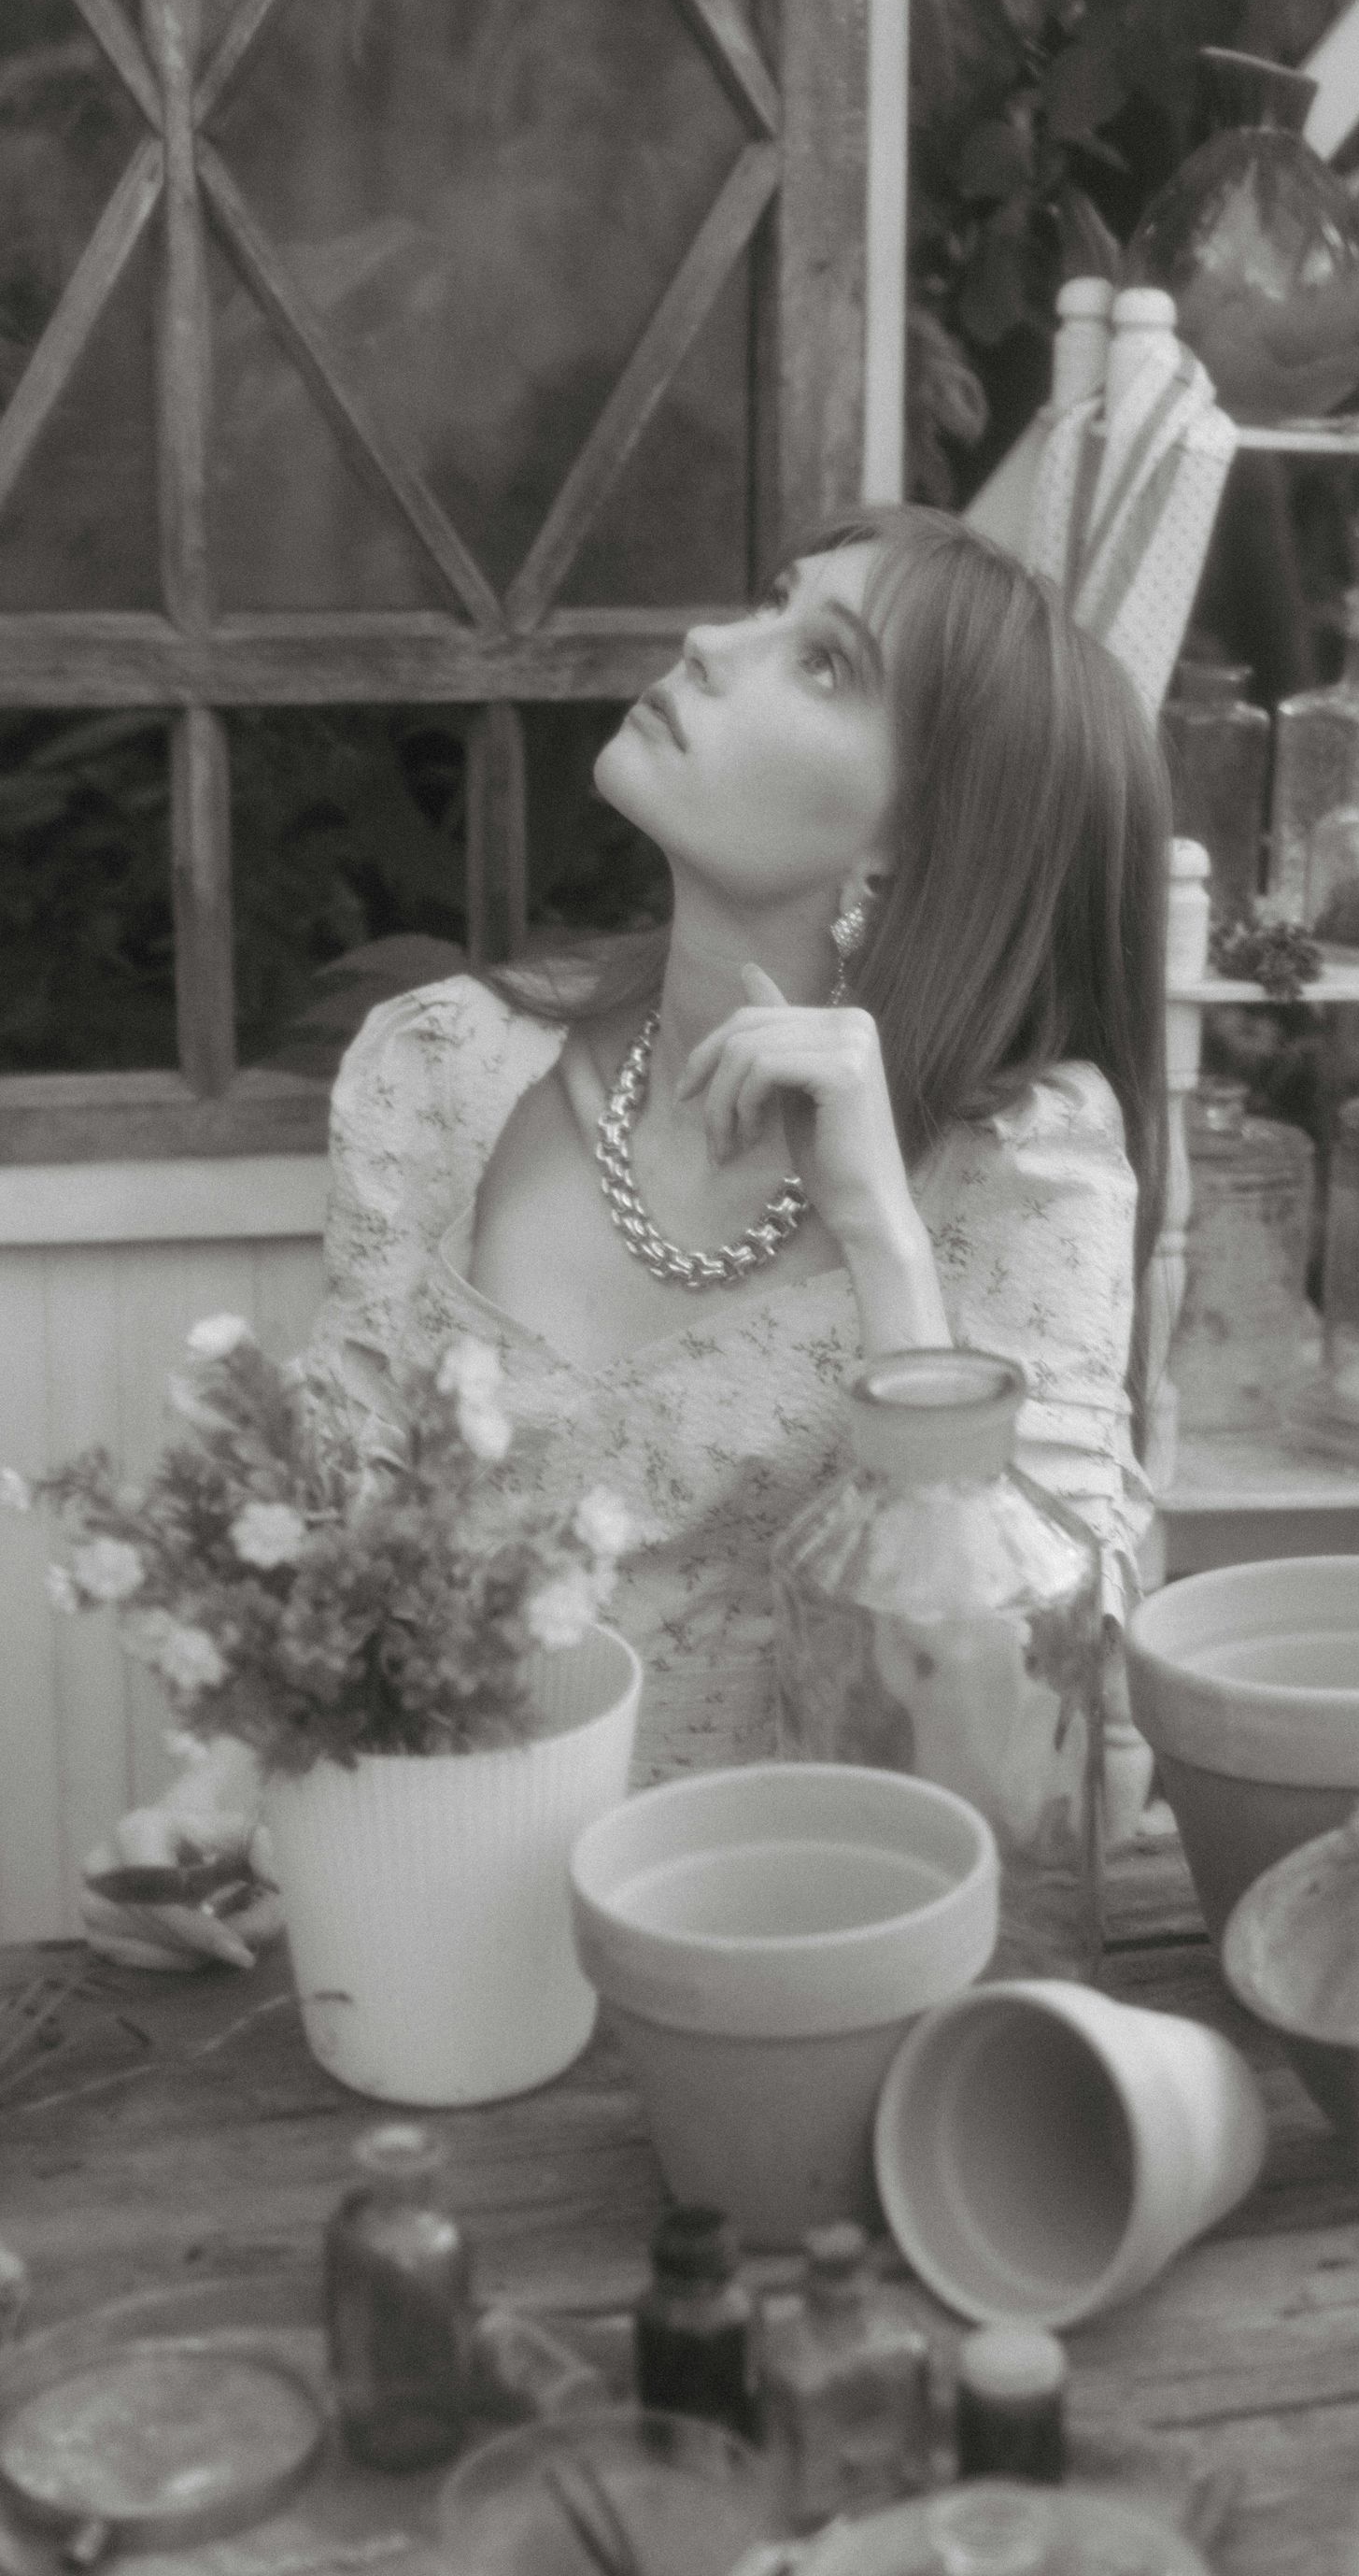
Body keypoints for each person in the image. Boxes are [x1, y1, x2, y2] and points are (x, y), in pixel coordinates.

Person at [81, 502, 1170, 1969]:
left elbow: (1033, 1744)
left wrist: (883, 1243)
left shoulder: (1021, 1168)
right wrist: (217, 1820)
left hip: (792, 1972)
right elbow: (334, 1575)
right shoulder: (443, 1072)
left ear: (914, 843)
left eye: (825, 663)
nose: (713, 644)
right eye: (765, 603)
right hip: (436, 1954)